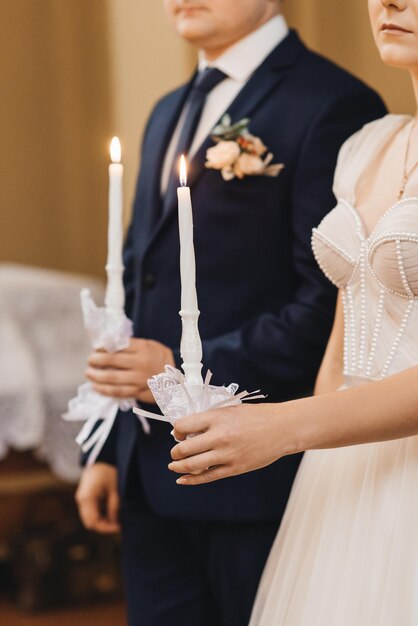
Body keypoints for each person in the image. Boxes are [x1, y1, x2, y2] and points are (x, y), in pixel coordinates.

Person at [76, 1, 385, 624]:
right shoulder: (169, 108)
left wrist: (185, 371)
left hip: (257, 472)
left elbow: (329, 302)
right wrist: (110, 452)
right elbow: (139, 278)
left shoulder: (330, 102)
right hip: (151, 471)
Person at [169, 0, 418, 622]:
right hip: (341, 469)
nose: (390, 1)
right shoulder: (368, 145)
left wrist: (285, 428)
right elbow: (342, 341)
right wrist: (317, 465)